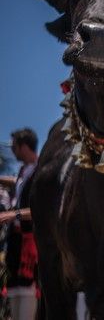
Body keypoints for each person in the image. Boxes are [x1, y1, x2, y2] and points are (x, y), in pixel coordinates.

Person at [3, 129, 38, 320]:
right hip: (16, 244)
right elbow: (18, 183)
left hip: (30, 247)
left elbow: (41, 211)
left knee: (28, 295)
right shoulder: (24, 171)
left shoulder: (42, 170)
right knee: (15, 295)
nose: (13, 152)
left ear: (24, 146)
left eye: (15, 147)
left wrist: (10, 215)